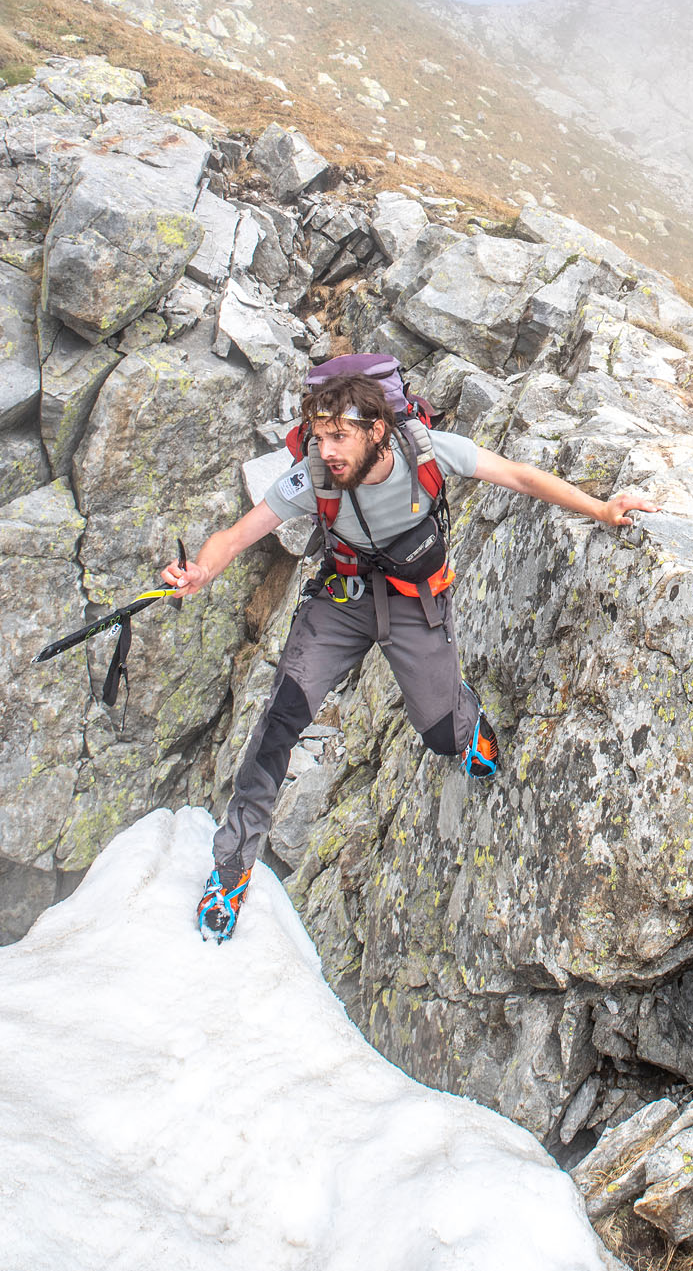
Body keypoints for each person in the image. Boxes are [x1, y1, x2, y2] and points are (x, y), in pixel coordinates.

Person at [163, 366, 656, 942]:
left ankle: (461, 716)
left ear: (377, 431)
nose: (324, 450)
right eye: (317, 437)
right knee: (279, 724)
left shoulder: (428, 451)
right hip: (340, 599)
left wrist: (600, 509)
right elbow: (238, 534)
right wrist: (202, 569)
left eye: (337, 436)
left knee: (442, 735)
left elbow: (519, 477)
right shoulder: (315, 476)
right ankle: (230, 869)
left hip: (412, 604)